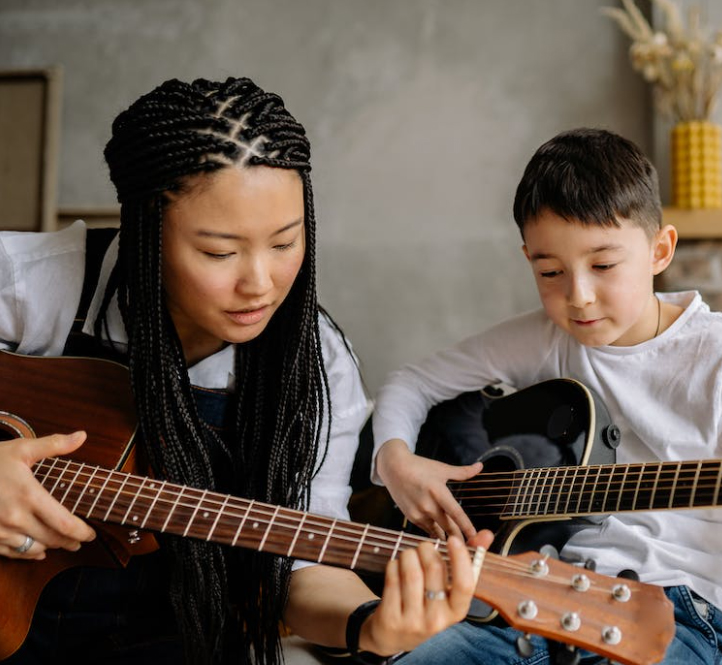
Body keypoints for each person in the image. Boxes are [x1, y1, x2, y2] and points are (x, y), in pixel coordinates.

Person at [0, 76, 489, 665]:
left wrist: (370, 625)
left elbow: (300, 569)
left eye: (284, 244)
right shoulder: (31, 287)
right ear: (145, 232)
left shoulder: (318, 364)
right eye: (220, 252)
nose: (259, 283)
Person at [371, 128, 722, 664]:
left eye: (603, 265)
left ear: (660, 250)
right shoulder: (545, 337)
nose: (578, 296)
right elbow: (412, 383)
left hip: (682, 614)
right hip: (533, 596)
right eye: (550, 271)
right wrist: (395, 462)